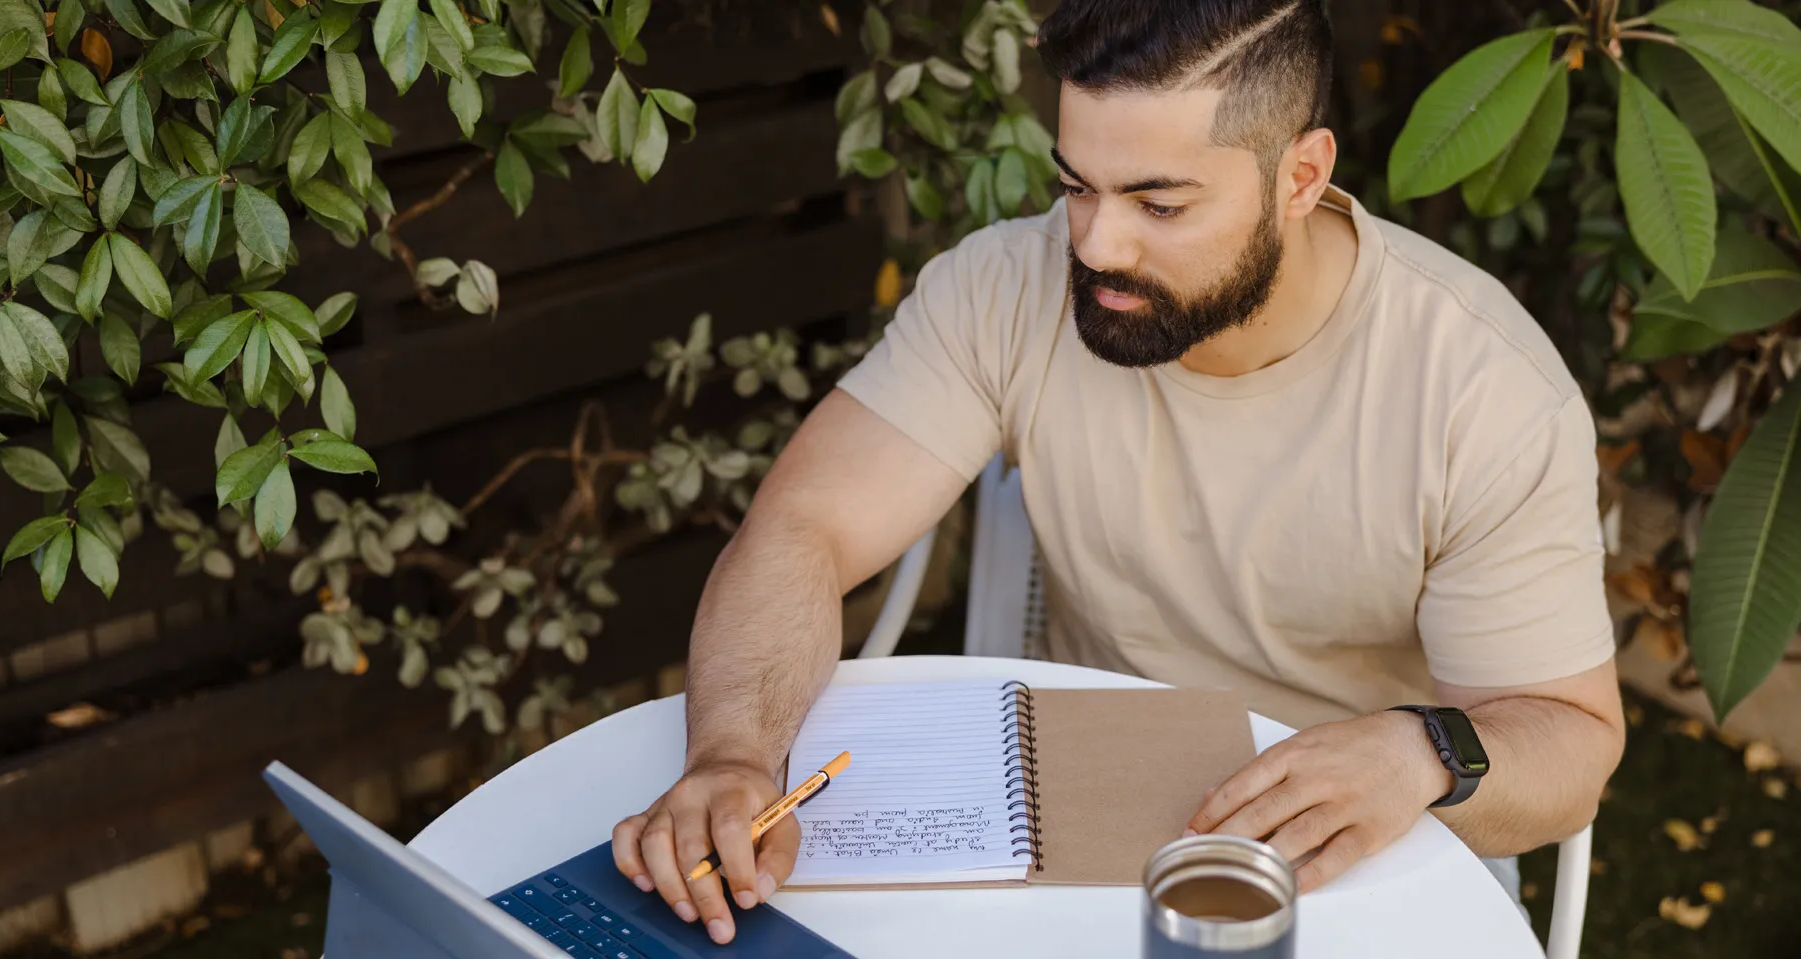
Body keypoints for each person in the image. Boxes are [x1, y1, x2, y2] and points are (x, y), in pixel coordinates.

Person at [611, 0, 1625, 944]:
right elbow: (805, 527)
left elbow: (1569, 745)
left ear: (1301, 177)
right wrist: (733, 755)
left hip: (1353, 852)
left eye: (1159, 203)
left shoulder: (1482, 388)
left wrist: (1422, 751)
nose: (1096, 246)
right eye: (1076, 186)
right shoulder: (1005, 287)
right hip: (1065, 816)